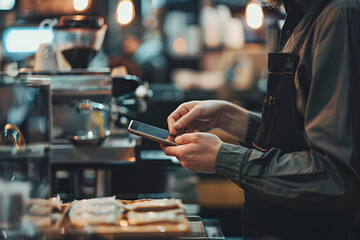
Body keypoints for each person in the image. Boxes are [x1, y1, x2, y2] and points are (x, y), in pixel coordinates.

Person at [161, 0, 360, 239]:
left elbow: (334, 176)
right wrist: (228, 116)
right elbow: (296, 139)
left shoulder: (339, 16)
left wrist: (223, 158)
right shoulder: (302, 15)